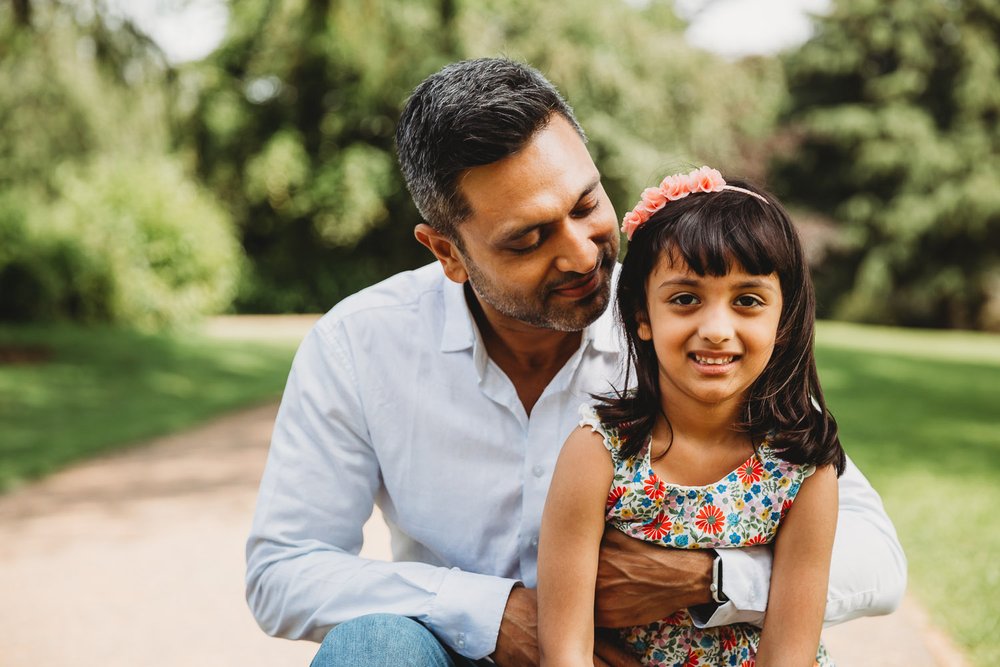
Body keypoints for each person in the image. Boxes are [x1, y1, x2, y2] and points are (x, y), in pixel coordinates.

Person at [245, 58, 906, 667]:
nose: (584, 255)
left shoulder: (691, 332)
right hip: (456, 655)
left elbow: (876, 558)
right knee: (373, 647)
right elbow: (284, 569)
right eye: (529, 238)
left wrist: (709, 576)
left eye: (587, 204)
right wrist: (496, 613)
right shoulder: (360, 345)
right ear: (446, 250)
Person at [538, 167, 843, 667]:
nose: (717, 329)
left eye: (747, 301)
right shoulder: (597, 453)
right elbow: (565, 651)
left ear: (783, 321)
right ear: (642, 315)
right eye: (685, 299)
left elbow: (789, 654)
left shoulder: (802, 470)